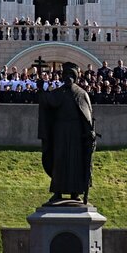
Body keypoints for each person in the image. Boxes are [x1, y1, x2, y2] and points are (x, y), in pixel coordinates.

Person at [37, 62, 96, 205]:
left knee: (75, 161)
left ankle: (75, 192)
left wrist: (90, 133)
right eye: (66, 75)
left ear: (75, 77)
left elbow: (87, 115)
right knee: (59, 160)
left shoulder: (81, 93)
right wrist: (41, 90)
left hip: (76, 133)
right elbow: (47, 102)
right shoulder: (58, 93)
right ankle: (58, 191)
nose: (68, 78)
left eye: (71, 75)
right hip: (60, 132)